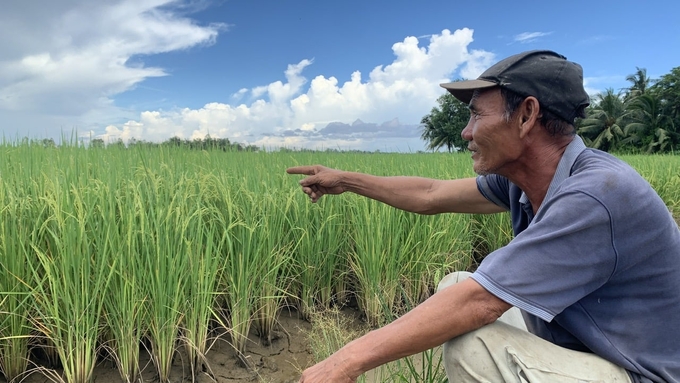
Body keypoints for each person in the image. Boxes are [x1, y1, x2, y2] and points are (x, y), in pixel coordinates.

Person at [287, 50, 680, 383]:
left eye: (477, 116)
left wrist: (343, 363)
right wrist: (346, 180)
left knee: (473, 343)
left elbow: (480, 303)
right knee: (456, 283)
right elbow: (431, 194)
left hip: (637, 371)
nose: (465, 132)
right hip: (588, 344)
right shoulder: (526, 181)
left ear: (526, 115)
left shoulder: (596, 194)